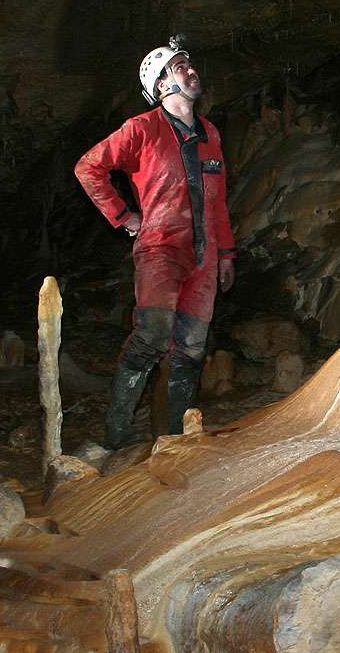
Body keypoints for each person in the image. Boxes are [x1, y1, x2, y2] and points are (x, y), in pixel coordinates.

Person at [75, 35, 236, 448]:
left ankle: (176, 435)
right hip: (161, 248)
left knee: (192, 348)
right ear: (163, 84)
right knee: (151, 336)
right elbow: (89, 167)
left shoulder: (209, 134)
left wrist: (225, 253)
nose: (190, 69)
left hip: (204, 255)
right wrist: (124, 216)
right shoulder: (141, 129)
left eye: (189, 62)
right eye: (180, 66)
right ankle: (118, 431)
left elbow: (217, 201)